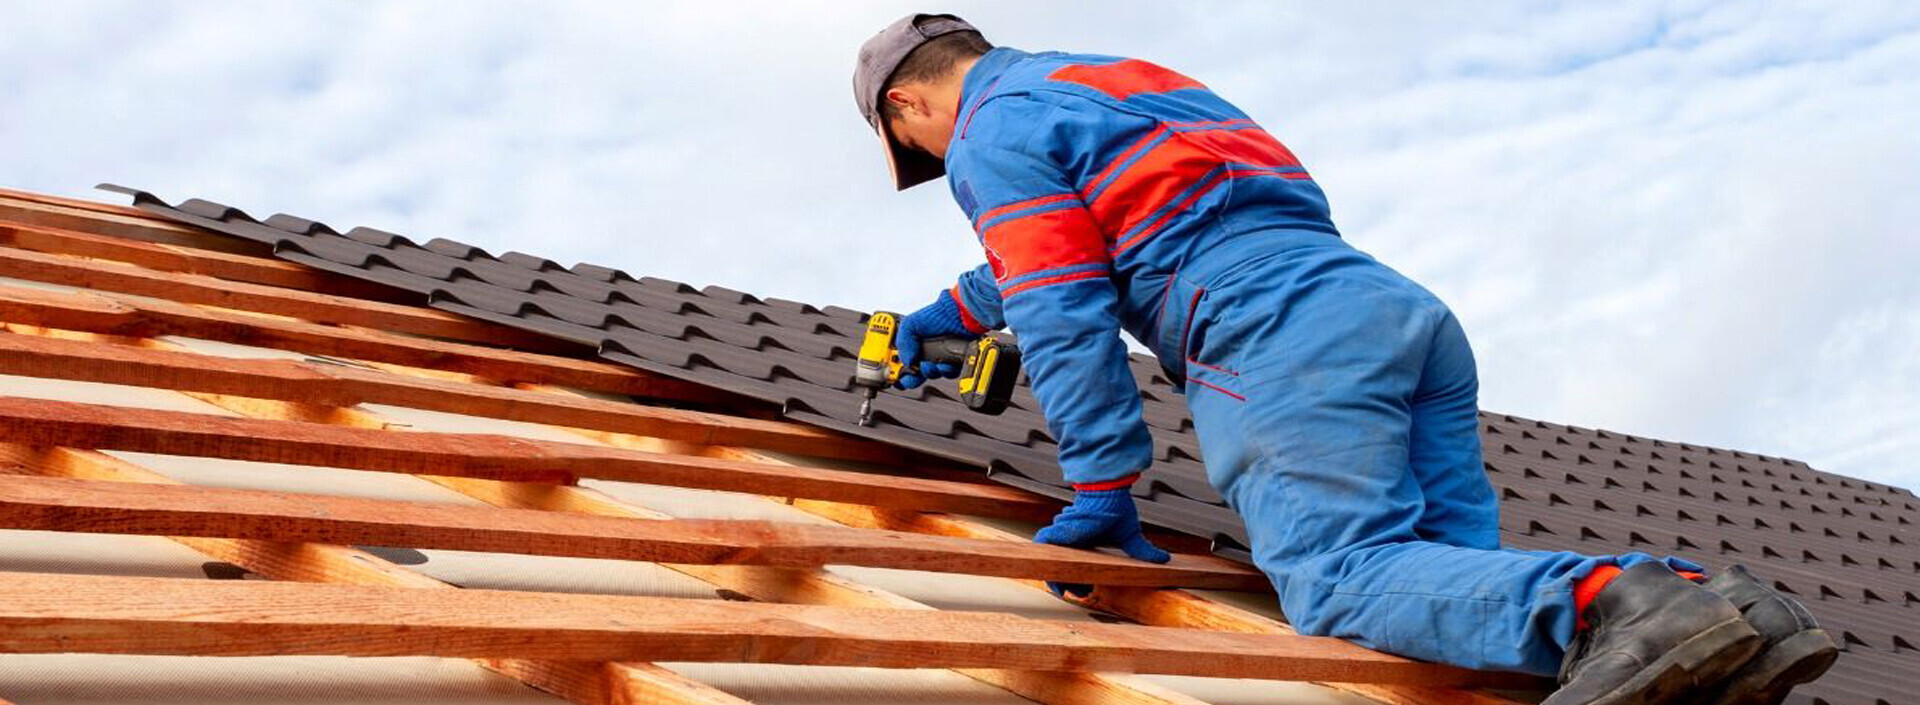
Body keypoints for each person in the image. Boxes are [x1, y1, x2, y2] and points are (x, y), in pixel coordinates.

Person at [851, 13, 1836, 705]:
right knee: (1447, 586)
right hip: (1381, 307)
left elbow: (1061, 307)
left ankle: (1635, 603)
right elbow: (1082, 244)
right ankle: (1728, 611)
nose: (944, 167)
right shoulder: (1111, 79)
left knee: (1339, 577)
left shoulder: (991, 134)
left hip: (1270, 327)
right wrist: (943, 321)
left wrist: (1104, 485)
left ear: (908, 105)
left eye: (918, 149)